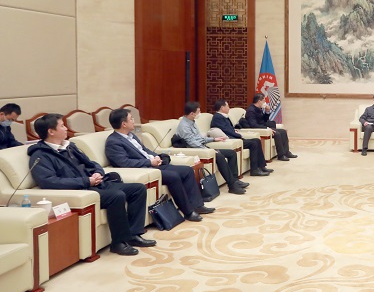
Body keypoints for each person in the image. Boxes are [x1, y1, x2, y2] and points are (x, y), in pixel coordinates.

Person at [28, 113, 155, 256]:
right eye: (62, 126)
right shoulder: (40, 155)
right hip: (82, 190)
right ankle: (118, 243)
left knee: (138, 189)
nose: (66, 128)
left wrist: (97, 173)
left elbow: (92, 163)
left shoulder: (69, 147)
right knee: (116, 196)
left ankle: (134, 234)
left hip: (96, 183)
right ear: (51, 131)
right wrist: (86, 181)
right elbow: (49, 181)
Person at [105, 108, 214, 223]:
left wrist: (156, 157)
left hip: (154, 164)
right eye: (131, 119)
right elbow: (124, 163)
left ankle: (197, 205)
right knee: (174, 176)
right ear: (124, 124)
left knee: (187, 170)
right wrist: (149, 162)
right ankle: (188, 212)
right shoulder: (113, 142)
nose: (133, 121)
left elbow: (144, 150)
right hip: (145, 169)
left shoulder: (131, 136)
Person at [175, 102, 247, 195]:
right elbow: (192, 143)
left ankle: (235, 181)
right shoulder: (184, 126)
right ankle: (232, 186)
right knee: (219, 156)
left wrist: (213, 139)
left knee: (231, 153)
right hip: (195, 150)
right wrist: (209, 150)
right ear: (192, 113)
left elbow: (200, 138)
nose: (200, 113)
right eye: (198, 111)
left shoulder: (192, 122)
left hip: (202, 147)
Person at [210, 99, 271, 176]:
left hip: (234, 137)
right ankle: (254, 170)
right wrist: (238, 135)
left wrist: (235, 131)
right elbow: (226, 130)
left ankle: (261, 166)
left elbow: (229, 128)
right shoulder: (217, 117)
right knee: (253, 143)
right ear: (222, 107)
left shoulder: (223, 116)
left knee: (256, 140)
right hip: (231, 139)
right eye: (227, 106)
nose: (229, 108)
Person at [243, 93, 297, 161]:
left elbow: (264, 120)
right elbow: (253, 125)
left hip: (263, 126)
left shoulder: (259, 108)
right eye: (264, 100)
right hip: (259, 129)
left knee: (283, 131)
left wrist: (267, 111)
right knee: (277, 134)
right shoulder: (251, 110)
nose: (265, 102)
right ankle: (281, 155)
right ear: (259, 101)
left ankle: (286, 152)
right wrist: (267, 129)